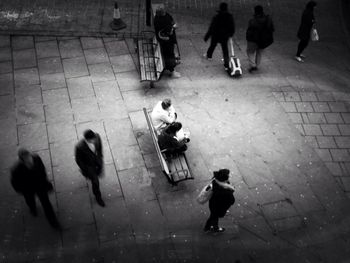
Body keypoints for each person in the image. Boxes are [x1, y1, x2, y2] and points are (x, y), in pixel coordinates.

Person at [10, 148, 61, 229]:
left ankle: (54, 223)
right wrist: (22, 191)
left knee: (46, 204)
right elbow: (14, 182)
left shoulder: (36, 158)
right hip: (28, 189)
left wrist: (45, 182)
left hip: (40, 186)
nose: (29, 159)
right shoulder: (16, 169)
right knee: (30, 201)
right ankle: (33, 209)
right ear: (22, 159)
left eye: (29, 156)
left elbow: (42, 169)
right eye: (26, 158)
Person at [75, 129, 105, 207]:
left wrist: (100, 156)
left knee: (99, 173)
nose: (94, 141)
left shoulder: (97, 137)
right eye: (92, 140)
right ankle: (98, 197)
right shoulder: (80, 147)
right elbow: (78, 160)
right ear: (87, 140)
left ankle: (96, 174)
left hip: (97, 162)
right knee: (95, 182)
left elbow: (99, 148)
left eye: (94, 138)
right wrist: (85, 169)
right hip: (89, 167)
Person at [204, 2, 235, 71]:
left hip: (216, 35)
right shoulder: (229, 16)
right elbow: (232, 26)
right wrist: (231, 34)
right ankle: (226, 64)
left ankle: (209, 56)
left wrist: (207, 36)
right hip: (225, 36)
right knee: (225, 50)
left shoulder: (217, 16)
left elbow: (212, 27)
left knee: (212, 45)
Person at [204, 169, 235, 233]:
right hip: (218, 207)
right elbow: (232, 201)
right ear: (224, 179)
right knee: (214, 217)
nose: (229, 176)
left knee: (213, 216)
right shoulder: (226, 191)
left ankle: (208, 227)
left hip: (213, 204)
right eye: (228, 176)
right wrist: (231, 190)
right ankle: (213, 228)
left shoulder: (215, 181)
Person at [154, 5, 181, 78]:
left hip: (166, 39)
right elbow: (168, 30)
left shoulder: (158, 18)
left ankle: (173, 63)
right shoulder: (162, 20)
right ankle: (172, 70)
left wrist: (172, 26)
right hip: (166, 40)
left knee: (170, 53)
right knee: (169, 54)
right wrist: (173, 27)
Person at [246, 5, 274, 73]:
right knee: (259, 52)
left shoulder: (253, 20)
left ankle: (253, 65)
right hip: (264, 40)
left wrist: (248, 37)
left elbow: (250, 30)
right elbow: (272, 29)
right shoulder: (268, 19)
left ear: (255, 11)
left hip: (253, 40)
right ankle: (257, 65)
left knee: (250, 52)